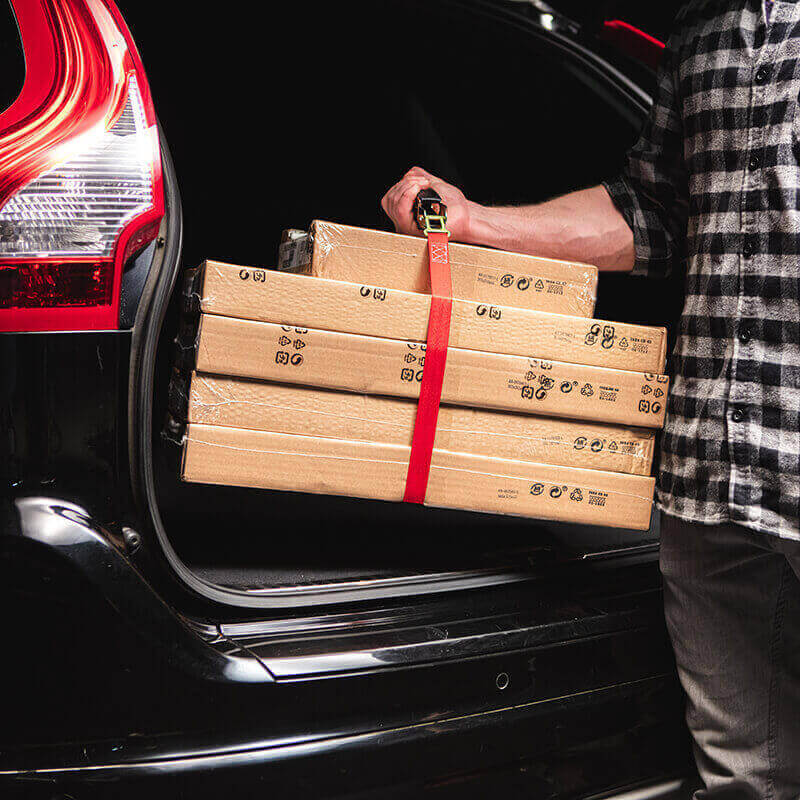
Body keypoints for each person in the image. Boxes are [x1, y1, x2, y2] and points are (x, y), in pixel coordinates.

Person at [381, 2, 800, 797]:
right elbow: (658, 210)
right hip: (711, 481)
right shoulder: (702, 29)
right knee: (747, 777)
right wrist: (475, 222)